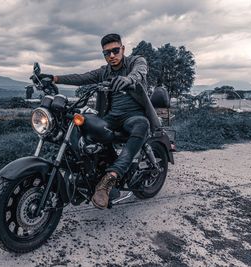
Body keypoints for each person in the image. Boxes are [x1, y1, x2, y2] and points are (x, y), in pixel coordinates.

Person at [32, 33, 161, 209]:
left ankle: (110, 178)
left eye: (115, 51)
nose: (112, 56)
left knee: (141, 125)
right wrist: (53, 78)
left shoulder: (136, 62)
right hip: (111, 117)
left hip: (134, 116)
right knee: (84, 122)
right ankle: (89, 171)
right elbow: (81, 78)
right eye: (107, 53)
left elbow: (139, 73)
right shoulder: (104, 72)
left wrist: (127, 79)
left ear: (122, 49)